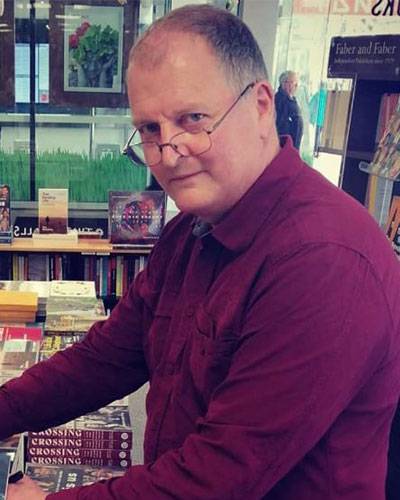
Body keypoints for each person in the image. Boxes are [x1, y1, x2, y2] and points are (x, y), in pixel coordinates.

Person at [3, 5, 400, 499]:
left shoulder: (323, 260)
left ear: (261, 106)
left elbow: (219, 477)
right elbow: (104, 359)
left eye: (192, 119)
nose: (168, 152)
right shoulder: (191, 230)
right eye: (150, 130)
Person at [275, 70, 304, 149]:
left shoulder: (290, 99)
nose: (296, 86)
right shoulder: (280, 100)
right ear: (284, 83)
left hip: (291, 146)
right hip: (285, 146)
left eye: (296, 83)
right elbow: (280, 125)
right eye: (293, 83)